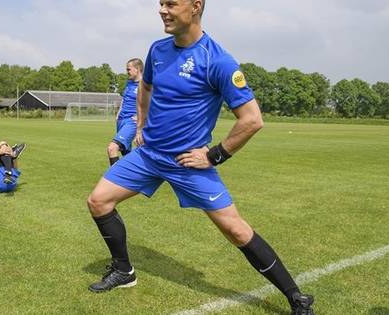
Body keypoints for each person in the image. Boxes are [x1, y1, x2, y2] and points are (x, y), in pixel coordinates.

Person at [86, 1, 314, 314]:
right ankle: (124, 271)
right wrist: (140, 124)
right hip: (149, 155)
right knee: (98, 201)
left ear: (195, 7)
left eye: (171, 3)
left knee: (236, 230)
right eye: (161, 3)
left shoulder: (218, 60)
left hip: (187, 163)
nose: (162, 10)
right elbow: (146, 89)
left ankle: (295, 297)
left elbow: (252, 119)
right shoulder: (157, 50)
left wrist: (214, 155)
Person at [107, 58, 143, 166]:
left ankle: (113, 179)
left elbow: (155, 102)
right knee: (126, 156)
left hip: (131, 122)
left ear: (137, 69)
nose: (127, 72)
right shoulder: (129, 83)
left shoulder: (146, 85)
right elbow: (125, 98)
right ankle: (134, 179)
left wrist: (141, 116)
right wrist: (119, 113)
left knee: (112, 148)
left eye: (129, 69)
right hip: (121, 120)